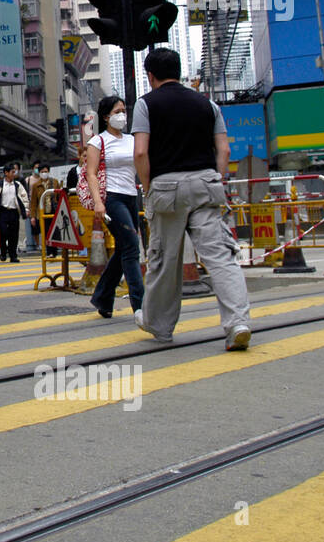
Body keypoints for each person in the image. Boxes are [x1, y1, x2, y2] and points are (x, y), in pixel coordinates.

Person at [132, 48, 251, 350]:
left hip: (166, 187)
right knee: (221, 257)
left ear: (150, 75)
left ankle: (159, 326)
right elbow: (223, 151)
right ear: (179, 70)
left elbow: (141, 152)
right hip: (205, 184)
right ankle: (237, 323)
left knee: (164, 259)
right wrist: (216, 179)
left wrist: (148, 188)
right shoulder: (208, 104)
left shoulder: (145, 104)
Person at [86, 96, 145, 320]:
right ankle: (140, 305)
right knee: (131, 247)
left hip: (131, 197)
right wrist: (99, 202)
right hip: (112, 198)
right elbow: (91, 174)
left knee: (123, 248)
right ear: (106, 116)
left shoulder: (131, 139)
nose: (122, 115)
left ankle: (102, 297)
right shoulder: (97, 142)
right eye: (117, 111)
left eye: (124, 110)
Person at [0, 163, 29, 263]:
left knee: (14, 234)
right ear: (6, 173)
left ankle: (13, 255)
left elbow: (24, 198)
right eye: (12, 172)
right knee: (3, 233)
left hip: (14, 212)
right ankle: (3, 252)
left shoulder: (17, 185)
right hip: (3, 212)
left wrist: (26, 209)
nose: (14, 173)